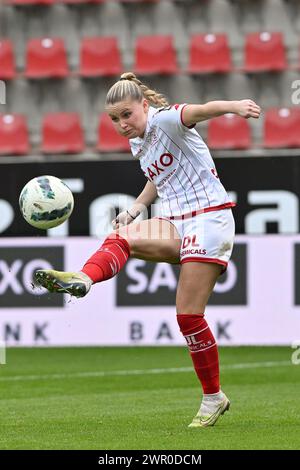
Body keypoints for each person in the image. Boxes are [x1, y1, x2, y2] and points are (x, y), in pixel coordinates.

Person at [35, 72, 261, 428]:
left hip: (209, 219)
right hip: (173, 220)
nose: (122, 124)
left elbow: (201, 110)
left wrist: (235, 106)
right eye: (114, 119)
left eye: (127, 114)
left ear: (144, 105)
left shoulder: (167, 119)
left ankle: (213, 397)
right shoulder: (139, 142)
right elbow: (159, 178)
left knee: (188, 316)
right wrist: (137, 208)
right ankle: (83, 278)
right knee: (121, 237)